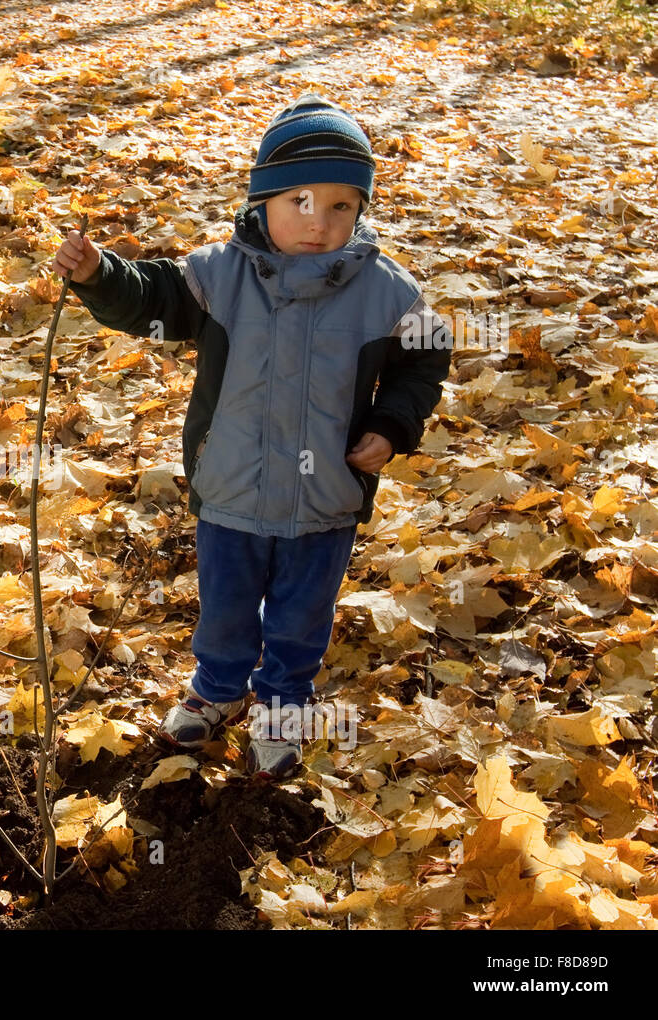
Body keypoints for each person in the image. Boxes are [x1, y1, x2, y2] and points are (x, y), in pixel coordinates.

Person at [53, 94, 452, 778]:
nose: (319, 223)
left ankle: (282, 707)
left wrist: (392, 426)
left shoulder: (386, 292)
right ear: (261, 198)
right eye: (299, 200)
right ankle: (218, 689)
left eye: (341, 206)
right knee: (227, 607)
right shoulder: (218, 276)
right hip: (232, 487)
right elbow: (152, 299)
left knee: (300, 619)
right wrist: (99, 276)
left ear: (360, 210)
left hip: (323, 497)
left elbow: (425, 356)